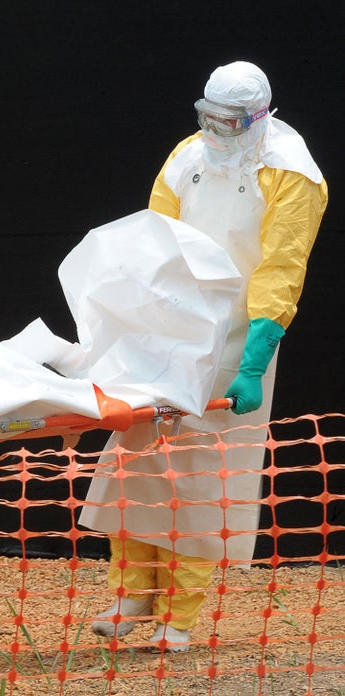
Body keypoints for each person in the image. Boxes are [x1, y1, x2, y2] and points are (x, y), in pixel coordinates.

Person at [80, 61, 327, 652]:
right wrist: (136, 322)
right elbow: (154, 239)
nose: (215, 130)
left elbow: (281, 269)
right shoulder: (188, 156)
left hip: (240, 336)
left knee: (202, 477)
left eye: (228, 121)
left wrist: (254, 358)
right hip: (173, 327)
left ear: (258, 116)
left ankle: (179, 614)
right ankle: (131, 591)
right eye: (206, 116)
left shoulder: (293, 174)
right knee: (137, 456)